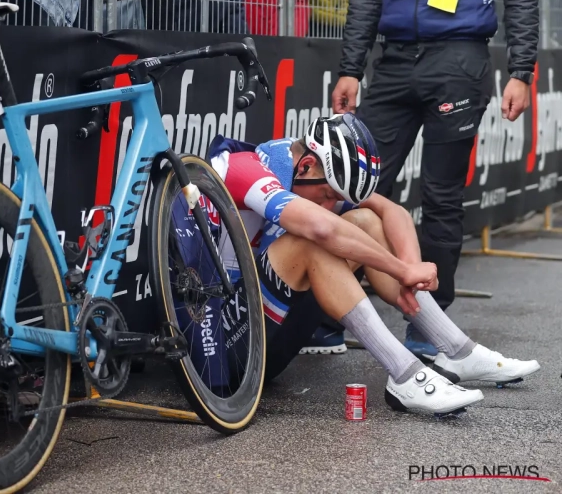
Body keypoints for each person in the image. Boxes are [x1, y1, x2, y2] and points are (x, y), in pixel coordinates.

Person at [206, 113, 540, 415]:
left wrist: (411, 273)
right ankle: (404, 374)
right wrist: (401, 270)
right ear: (306, 165)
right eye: (330, 196)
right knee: (314, 240)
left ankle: (456, 351)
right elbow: (321, 228)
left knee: (365, 219)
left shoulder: (311, 174)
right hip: (222, 351)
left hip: (266, 338)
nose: (332, 204)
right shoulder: (244, 166)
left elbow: (392, 212)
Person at [328, 0, 539, 359]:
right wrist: (350, 69)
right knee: (356, 188)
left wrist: (520, 71)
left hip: (459, 60)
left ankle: (430, 324)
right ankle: (330, 315)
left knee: (441, 195)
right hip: (394, 61)